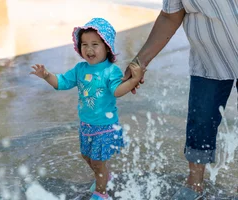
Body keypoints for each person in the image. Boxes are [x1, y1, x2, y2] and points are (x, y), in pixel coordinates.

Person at [122, 0, 238, 199]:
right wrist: (139, 62)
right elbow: (170, 15)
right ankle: (195, 184)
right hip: (209, 59)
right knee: (201, 118)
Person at [30, 18, 145, 200]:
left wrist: (133, 80)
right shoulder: (80, 69)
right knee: (87, 156)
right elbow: (61, 83)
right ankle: (105, 177)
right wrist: (46, 75)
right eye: (84, 44)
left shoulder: (111, 71)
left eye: (94, 44)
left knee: (98, 163)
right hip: (87, 125)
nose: (89, 49)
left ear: (106, 47)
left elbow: (117, 91)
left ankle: (101, 193)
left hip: (104, 126)